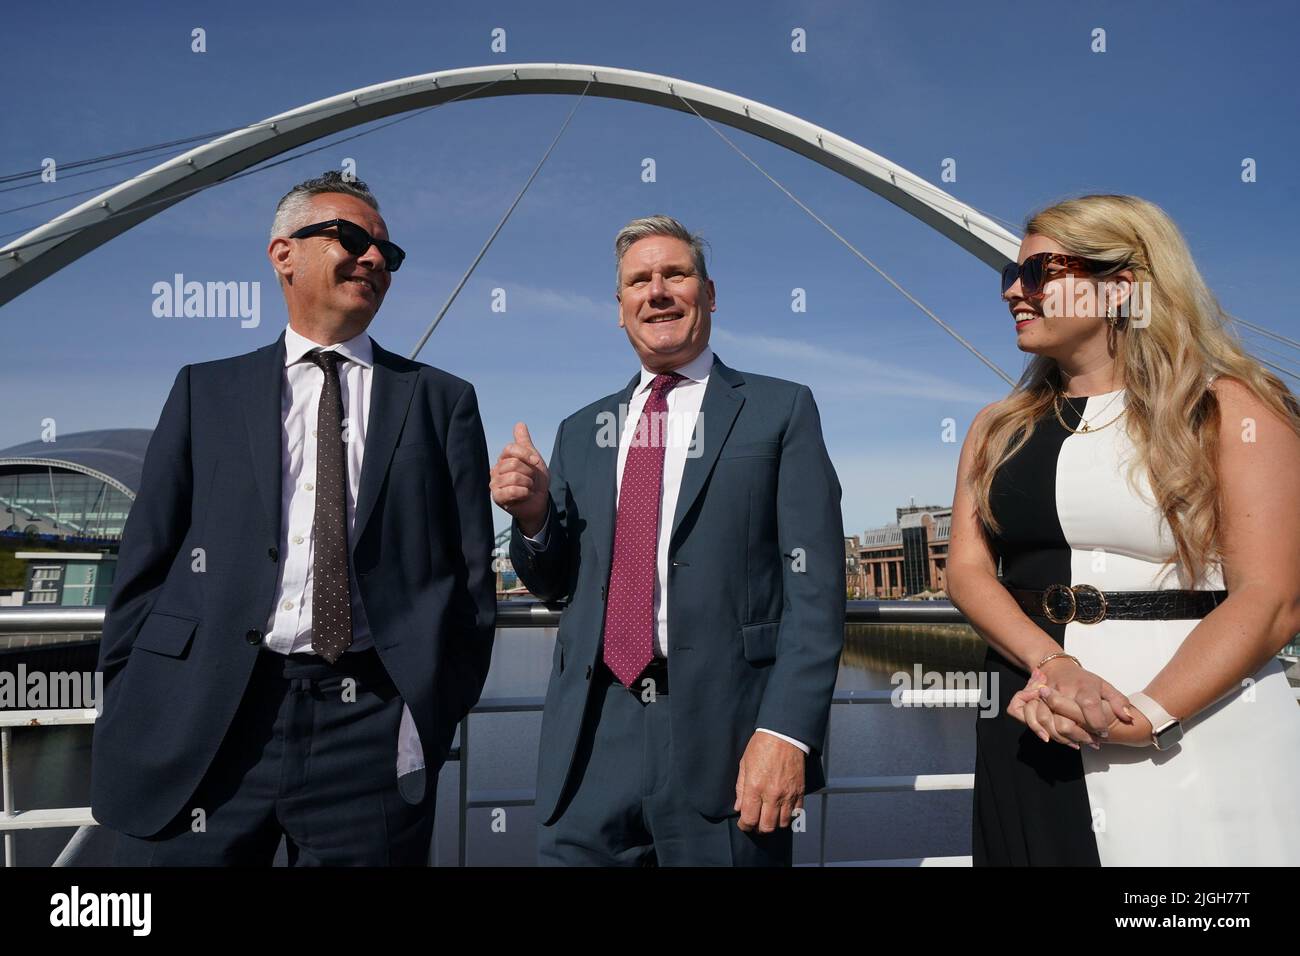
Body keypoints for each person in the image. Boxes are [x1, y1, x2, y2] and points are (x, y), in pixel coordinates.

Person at [91, 171, 496, 865]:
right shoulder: (204, 391)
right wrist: (135, 688)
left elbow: (469, 581)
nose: (373, 259)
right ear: (283, 254)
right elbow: (147, 561)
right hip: (210, 718)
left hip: (369, 728)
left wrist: (429, 707)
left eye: (387, 254)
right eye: (352, 238)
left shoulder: (442, 402)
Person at [947, 193, 1300, 865]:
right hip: (1032, 716)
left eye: (1040, 272)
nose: (1015, 293)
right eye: (1009, 277)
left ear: (1121, 288)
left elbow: (1272, 597)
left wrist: (1145, 716)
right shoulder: (996, 427)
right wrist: (1053, 664)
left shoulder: (1233, 409)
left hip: (1194, 721)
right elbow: (965, 571)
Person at [490, 215, 844, 866]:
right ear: (620, 310)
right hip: (593, 738)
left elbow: (816, 592)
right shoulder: (581, 429)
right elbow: (552, 581)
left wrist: (786, 733)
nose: (657, 291)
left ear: (709, 294)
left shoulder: (781, 410)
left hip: (729, 738)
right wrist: (535, 517)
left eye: (675, 275)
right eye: (638, 281)